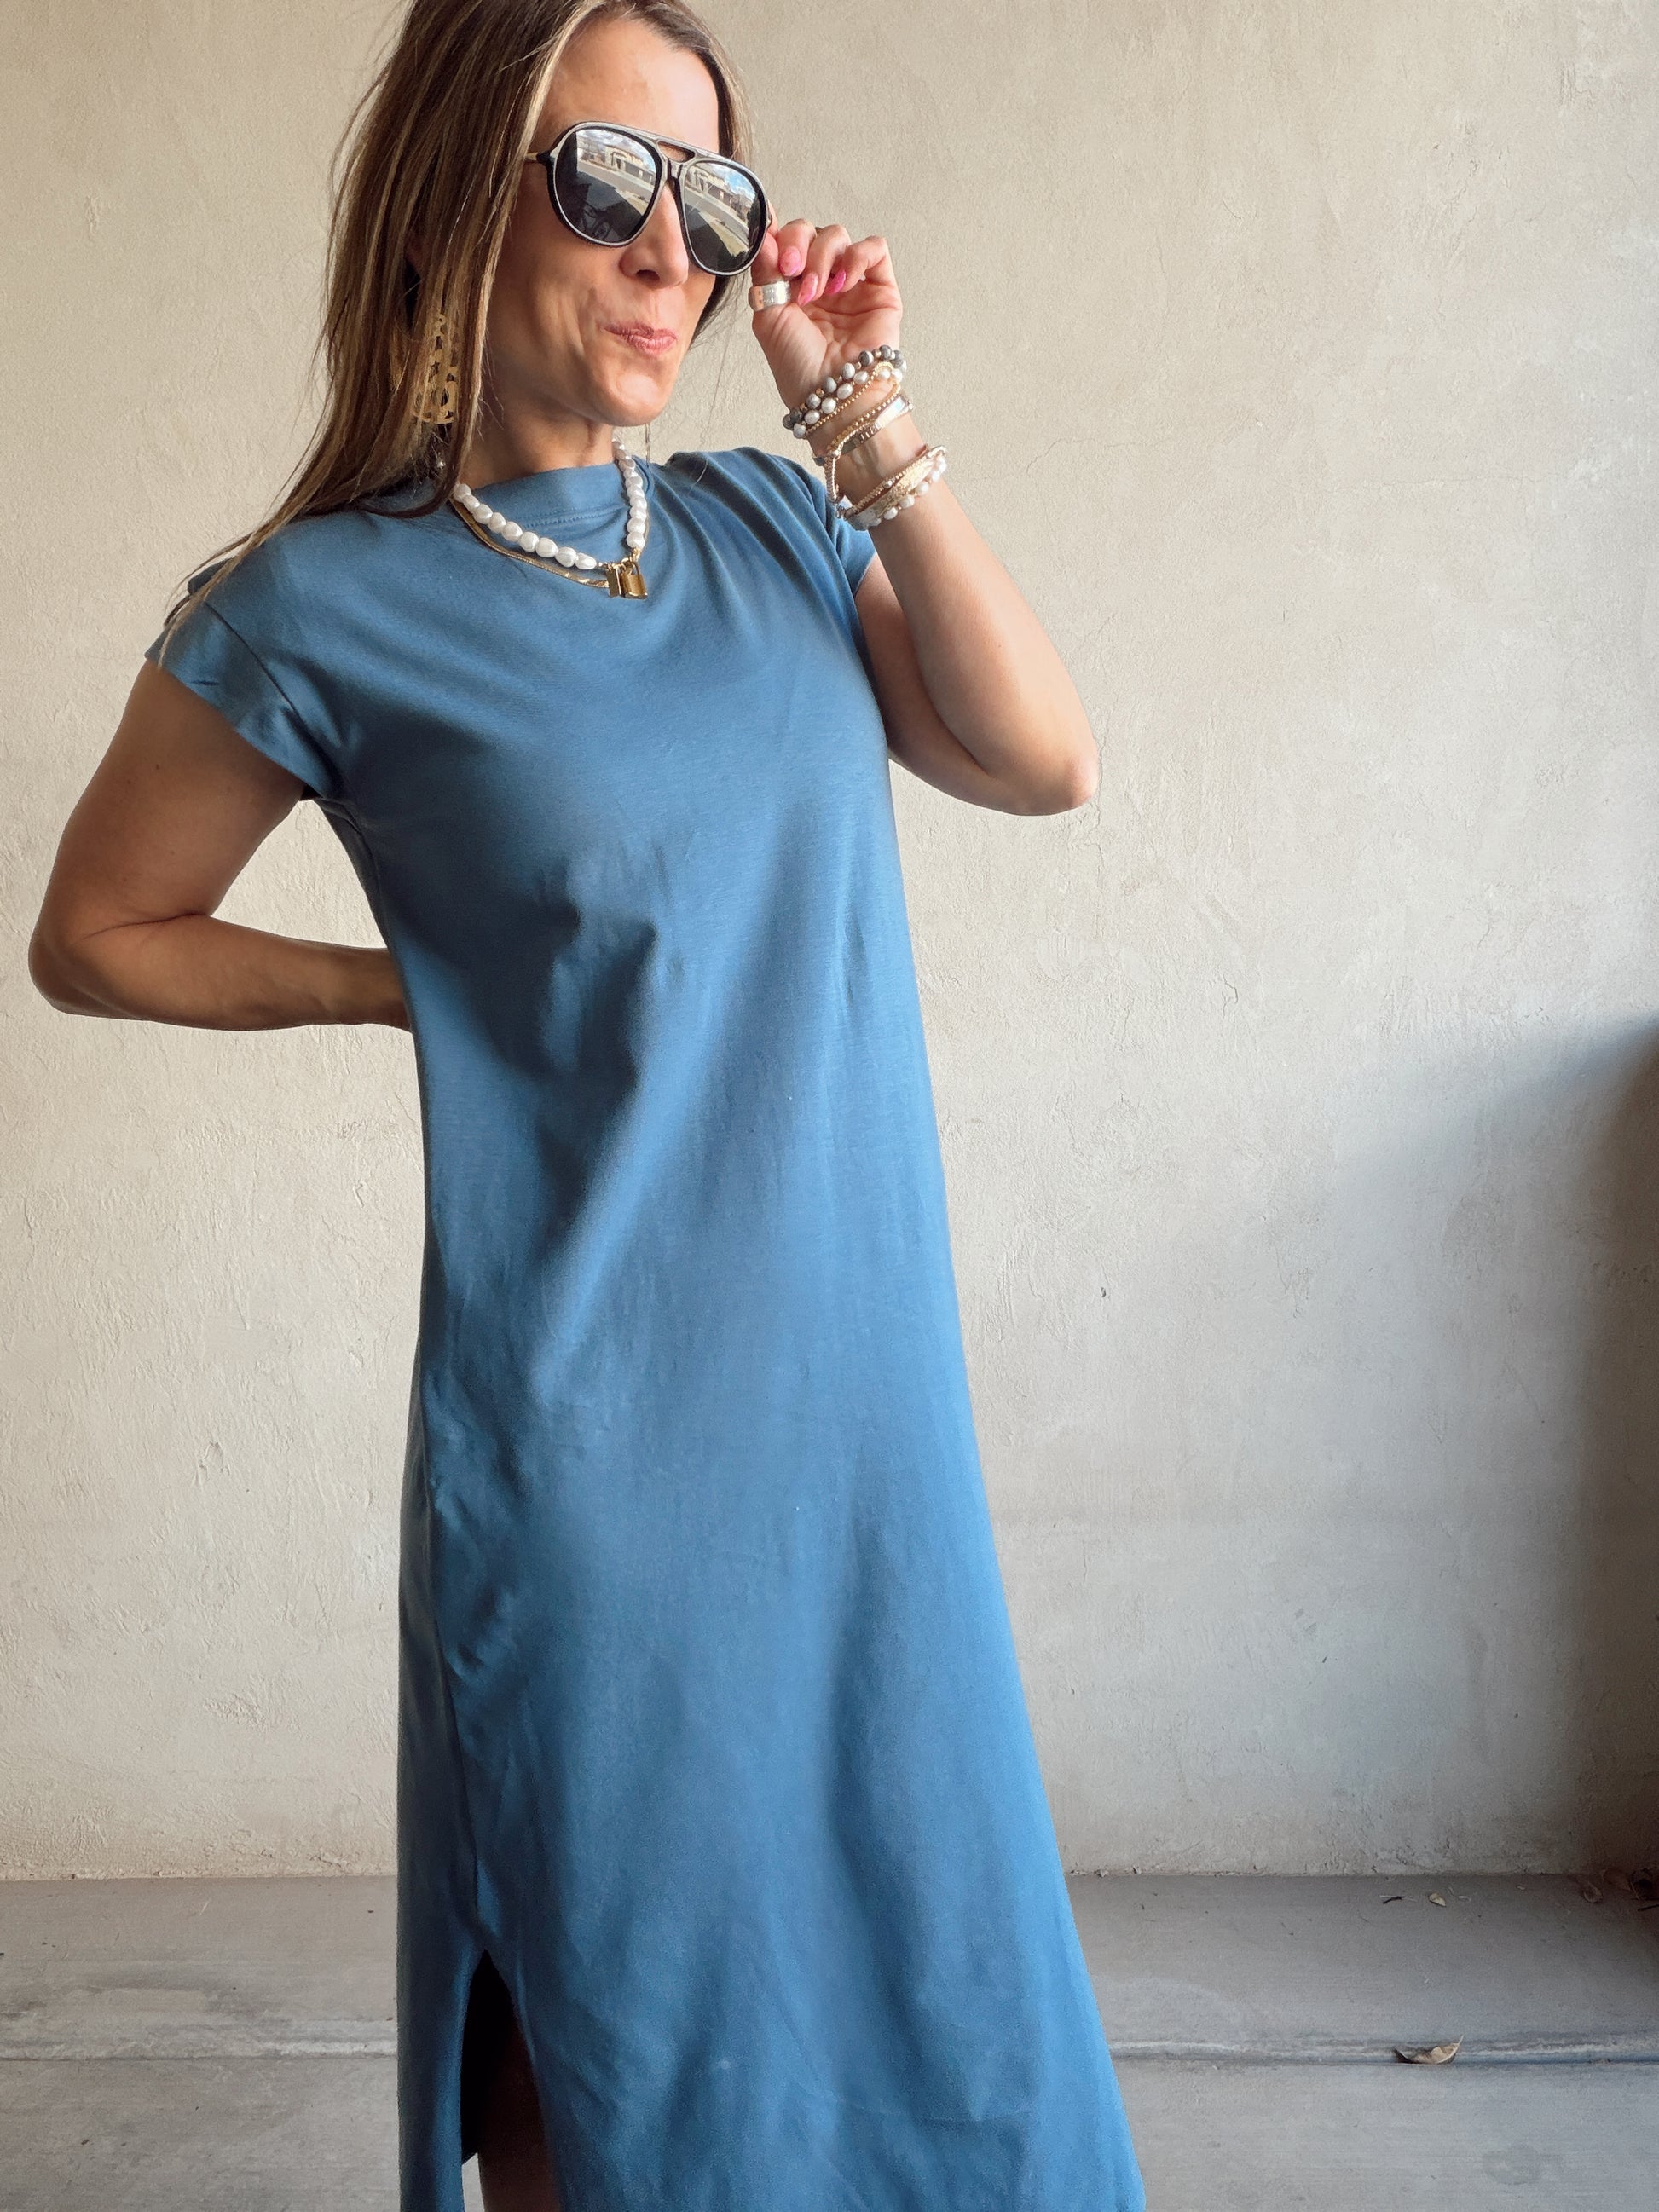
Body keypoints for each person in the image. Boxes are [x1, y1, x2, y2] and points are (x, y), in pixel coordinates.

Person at [28, 3, 1147, 2208]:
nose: (667, 253)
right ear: (463, 188)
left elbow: (1043, 757)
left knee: (923, 1983)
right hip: (595, 1454)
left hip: (857, 1429)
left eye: (709, 202)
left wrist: (855, 412)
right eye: (606, 180)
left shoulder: (773, 527)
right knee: (611, 2007)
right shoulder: (323, 604)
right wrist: (415, 990)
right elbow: (98, 932)